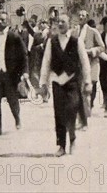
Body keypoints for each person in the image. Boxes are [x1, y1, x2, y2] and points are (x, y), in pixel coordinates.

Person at [40, 14, 92, 156]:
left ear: (70, 23)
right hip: (57, 81)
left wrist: (88, 82)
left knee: (71, 109)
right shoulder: (52, 41)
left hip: (72, 81)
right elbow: (46, 62)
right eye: (59, 22)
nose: (61, 24)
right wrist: (43, 83)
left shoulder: (77, 41)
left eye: (63, 21)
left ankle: (73, 139)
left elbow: (85, 62)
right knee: (59, 114)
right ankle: (61, 145)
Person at [0, 11, 29, 138]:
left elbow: (23, 55)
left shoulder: (14, 37)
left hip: (11, 74)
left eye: (3, 20)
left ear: (8, 21)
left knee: (12, 99)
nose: (0, 22)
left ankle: (17, 118)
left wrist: (25, 72)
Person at [72, 10, 104, 129]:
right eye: (79, 15)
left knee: (85, 92)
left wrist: (91, 51)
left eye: (83, 16)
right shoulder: (74, 32)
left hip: (90, 64)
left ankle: (83, 119)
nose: (80, 17)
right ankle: (79, 119)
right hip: (76, 65)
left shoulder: (93, 32)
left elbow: (102, 47)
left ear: (87, 18)